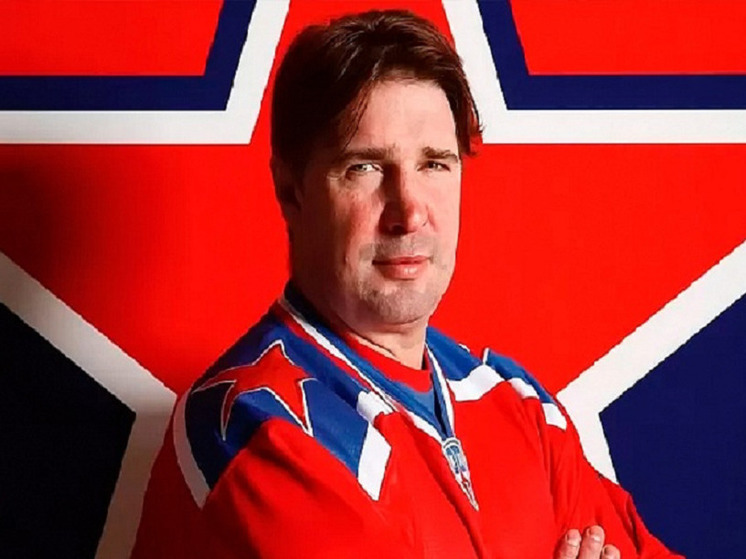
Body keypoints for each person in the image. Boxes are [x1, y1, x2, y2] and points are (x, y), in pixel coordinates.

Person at [133, 10, 683, 559]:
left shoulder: (515, 403)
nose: (410, 211)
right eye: (365, 167)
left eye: (435, 164)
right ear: (291, 191)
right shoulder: (255, 423)